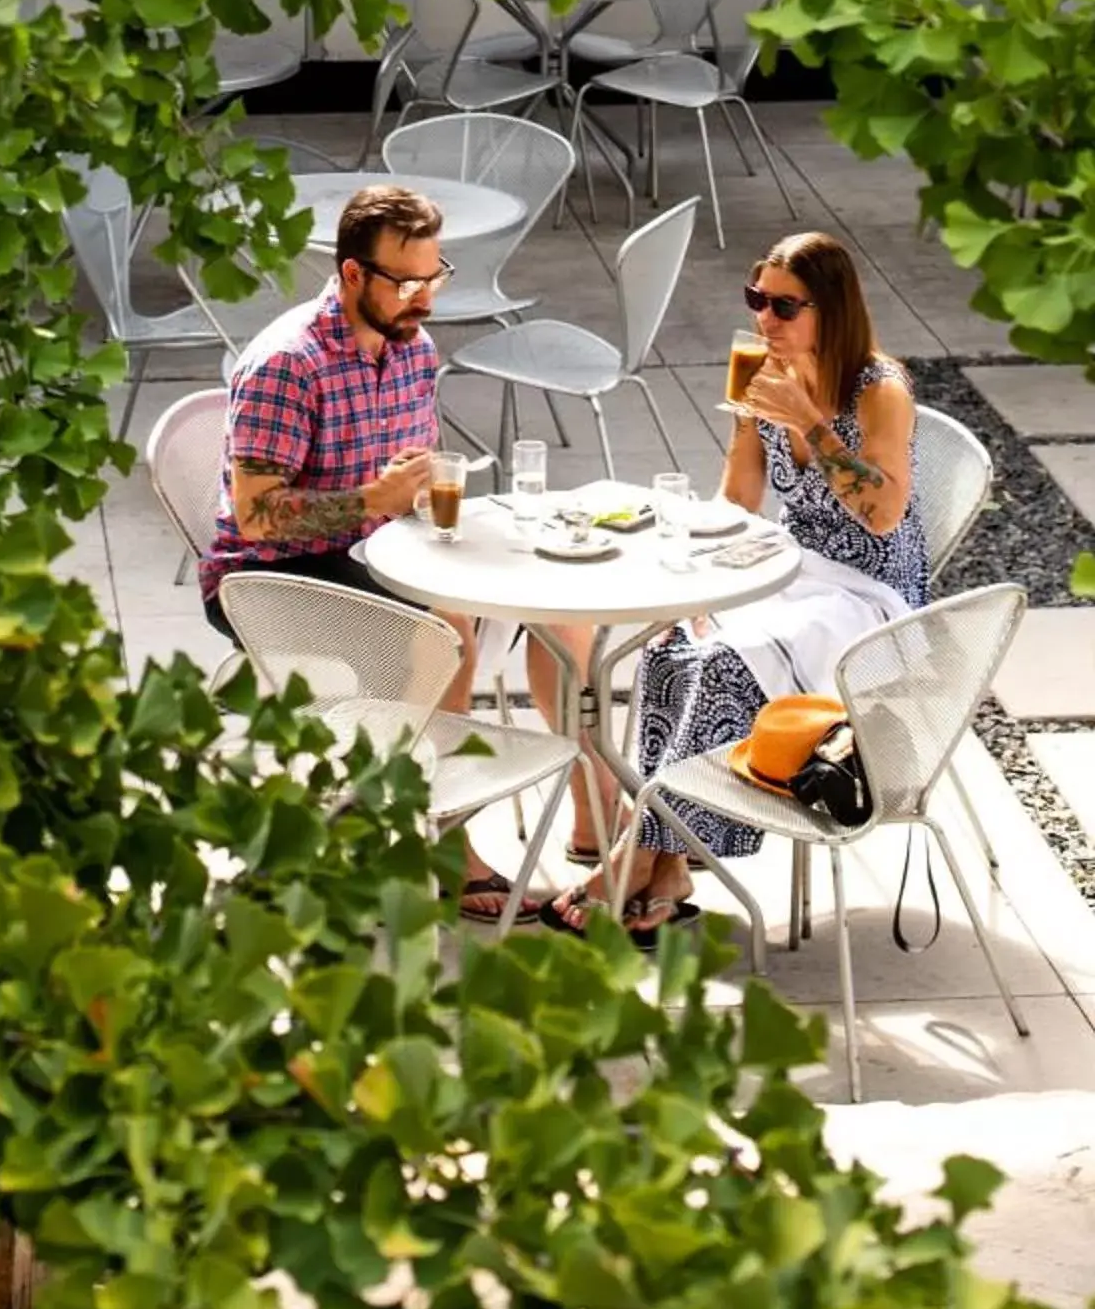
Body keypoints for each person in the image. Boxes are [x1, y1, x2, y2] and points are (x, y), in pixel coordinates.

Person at [549, 228, 928, 945]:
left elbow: (882, 516)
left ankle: (635, 858)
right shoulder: (763, 375)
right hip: (790, 572)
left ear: (833, 311)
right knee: (669, 646)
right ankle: (668, 870)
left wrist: (810, 424)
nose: (765, 320)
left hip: (869, 597)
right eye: (757, 300)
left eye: (785, 307)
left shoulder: (880, 390)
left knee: (725, 667)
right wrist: (697, 588)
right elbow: (735, 504)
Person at [198, 182, 530, 924]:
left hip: (371, 555)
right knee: (440, 635)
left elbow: (405, 474)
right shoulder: (290, 363)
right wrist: (372, 503)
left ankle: (369, 818)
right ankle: (430, 839)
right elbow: (254, 518)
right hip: (268, 577)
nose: (426, 300)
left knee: (505, 605)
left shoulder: (414, 349)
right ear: (353, 275)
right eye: (408, 283)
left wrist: (417, 499)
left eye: (434, 277)